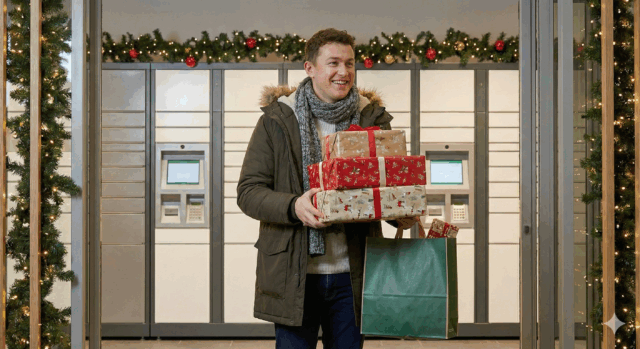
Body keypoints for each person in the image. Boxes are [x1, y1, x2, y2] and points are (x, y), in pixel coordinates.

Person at [237, 28, 416, 349]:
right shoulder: (278, 120)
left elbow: (387, 187)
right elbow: (249, 192)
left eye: (349, 63)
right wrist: (295, 207)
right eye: (333, 63)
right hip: (295, 274)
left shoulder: (372, 119)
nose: (343, 72)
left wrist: (401, 212)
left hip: (354, 273)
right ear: (310, 68)